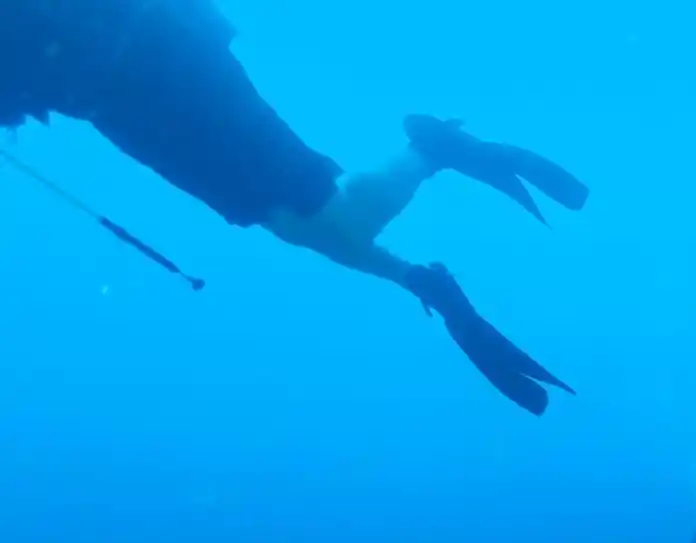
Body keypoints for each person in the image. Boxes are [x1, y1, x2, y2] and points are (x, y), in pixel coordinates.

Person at [0, 0, 586, 414]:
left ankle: (431, 157)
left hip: (147, 63)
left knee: (298, 206)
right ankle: (421, 264)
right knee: (290, 216)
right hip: (134, 80)